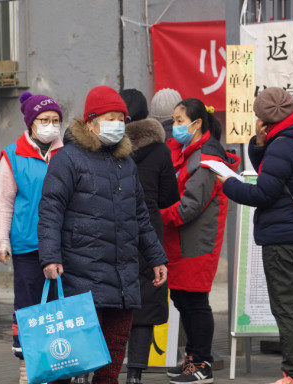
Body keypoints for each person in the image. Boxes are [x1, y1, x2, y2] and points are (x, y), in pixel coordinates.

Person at [38, 85, 169, 384]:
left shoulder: (126, 162)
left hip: (123, 278)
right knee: (68, 361)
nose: (118, 125)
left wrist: (156, 257)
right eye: (110, 118)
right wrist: (50, 256)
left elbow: (141, 216)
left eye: (121, 118)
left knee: (111, 364)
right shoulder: (68, 160)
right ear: (90, 122)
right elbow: (50, 211)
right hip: (81, 277)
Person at [218, 88, 293, 384]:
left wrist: (227, 183)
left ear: (265, 119)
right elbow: (273, 174)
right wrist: (260, 142)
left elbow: (263, 192)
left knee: (288, 308)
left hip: (284, 240)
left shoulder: (284, 145)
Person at [161, 98, 240, 384]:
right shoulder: (185, 152)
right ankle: (191, 358)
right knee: (183, 298)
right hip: (181, 240)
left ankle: (202, 363)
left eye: (180, 121)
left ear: (196, 124)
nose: (175, 126)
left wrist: (156, 216)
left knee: (195, 302)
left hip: (197, 242)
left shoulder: (207, 161)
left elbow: (188, 207)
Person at [0, 92, 65, 384]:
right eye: (44, 120)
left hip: (63, 246)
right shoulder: (13, 155)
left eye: (55, 120)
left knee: (60, 308)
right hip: (27, 247)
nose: (50, 125)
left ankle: (61, 365)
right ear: (31, 123)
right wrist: (1, 240)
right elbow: (4, 201)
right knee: (29, 309)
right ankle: (28, 369)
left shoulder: (68, 153)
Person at [119, 89, 179, 384]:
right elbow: (170, 196)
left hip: (112, 230)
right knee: (144, 299)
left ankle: (104, 368)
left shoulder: (108, 147)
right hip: (148, 234)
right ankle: (135, 374)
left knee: (111, 300)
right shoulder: (159, 149)